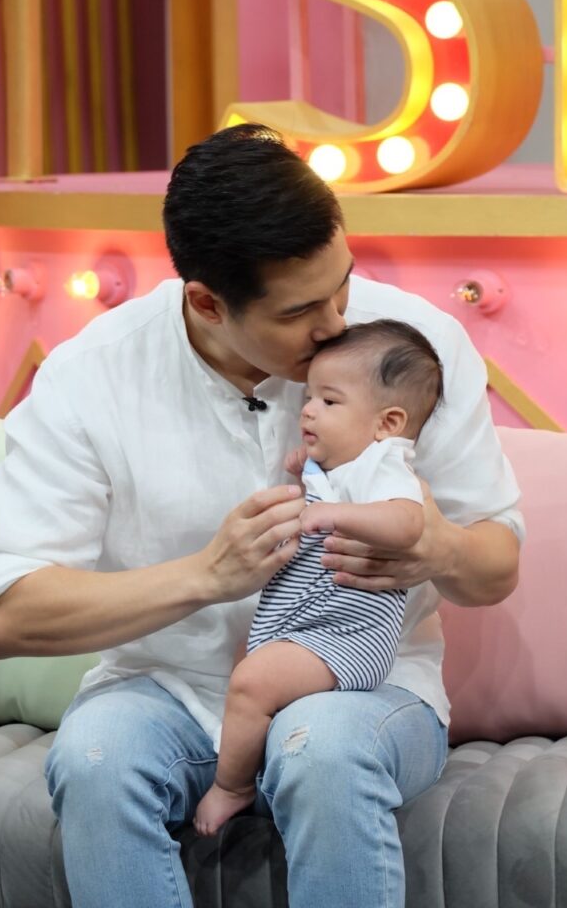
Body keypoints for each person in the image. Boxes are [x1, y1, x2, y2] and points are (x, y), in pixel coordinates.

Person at [0, 123, 523, 908]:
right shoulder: (89, 377)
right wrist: (205, 576)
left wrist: (440, 549)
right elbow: (4, 615)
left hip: (363, 687)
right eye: (301, 311)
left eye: (343, 285)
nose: (338, 325)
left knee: (322, 750)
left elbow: (497, 563)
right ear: (206, 301)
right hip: (165, 689)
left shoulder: (415, 347)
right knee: (97, 759)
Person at [194, 318, 444, 836]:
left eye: (329, 401)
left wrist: (331, 514)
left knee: (251, 683)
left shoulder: (385, 464)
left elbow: (407, 523)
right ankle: (260, 768)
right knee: (255, 679)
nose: (308, 410)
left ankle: (232, 786)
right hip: (309, 624)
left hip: (348, 634)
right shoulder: (340, 466)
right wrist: (308, 471)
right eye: (309, 397)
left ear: (387, 423)